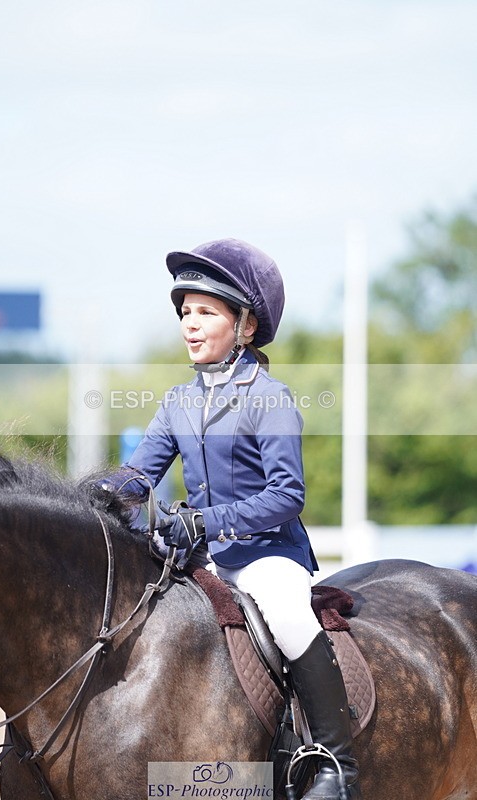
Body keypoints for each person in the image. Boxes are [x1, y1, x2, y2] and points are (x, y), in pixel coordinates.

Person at [100, 239, 360, 800]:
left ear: (244, 327)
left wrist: (203, 522)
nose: (190, 325)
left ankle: (334, 767)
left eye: (206, 312)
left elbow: (287, 495)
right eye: (185, 312)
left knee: (290, 617)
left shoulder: (270, 398)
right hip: (206, 556)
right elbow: (139, 475)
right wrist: (95, 489)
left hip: (267, 554)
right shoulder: (176, 401)